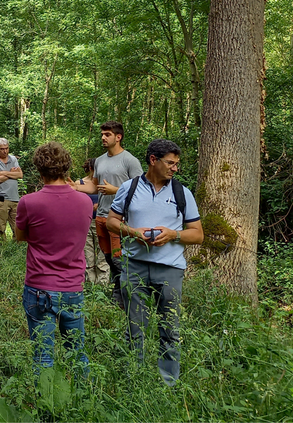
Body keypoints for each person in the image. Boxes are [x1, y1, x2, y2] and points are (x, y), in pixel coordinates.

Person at [106, 139, 203, 386]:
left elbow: (198, 234)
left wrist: (173, 234)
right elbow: (111, 222)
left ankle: (168, 382)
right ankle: (133, 377)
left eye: (177, 164)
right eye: (170, 163)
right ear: (153, 160)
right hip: (134, 265)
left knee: (170, 326)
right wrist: (134, 232)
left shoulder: (183, 193)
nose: (175, 168)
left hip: (170, 269)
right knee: (134, 324)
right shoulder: (129, 188)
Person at [15, 142, 93, 376]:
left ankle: (46, 409)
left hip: (39, 288)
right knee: (77, 353)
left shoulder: (29, 202)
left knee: (43, 356)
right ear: (67, 169)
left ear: (39, 170)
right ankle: (82, 405)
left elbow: (20, 237)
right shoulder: (85, 202)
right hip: (73, 287)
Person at [70, 121, 144, 309]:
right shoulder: (100, 160)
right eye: (102, 134)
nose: (103, 137)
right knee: (109, 258)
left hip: (121, 218)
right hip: (101, 216)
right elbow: (94, 186)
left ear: (118, 137)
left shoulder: (130, 161)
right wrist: (76, 187)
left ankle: (126, 299)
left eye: (107, 134)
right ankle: (117, 295)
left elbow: (142, 190)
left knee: (120, 259)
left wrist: (116, 191)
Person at [79, 159, 107, 285]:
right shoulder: (79, 184)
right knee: (87, 253)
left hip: (102, 221)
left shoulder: (106, 184)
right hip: (84, 222)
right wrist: (90, 207)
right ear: (91, 169)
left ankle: (103, 284)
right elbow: (75, 204)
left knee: (103, 253)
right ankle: (89, 283)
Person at [0, 138, 23, 242]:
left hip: (14, 197)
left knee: (17, 225)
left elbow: (20, 175)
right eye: (2, 149)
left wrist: (4, 172)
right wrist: (11, 173)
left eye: (7, 148)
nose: (5, 151)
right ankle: (1, 247)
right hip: (0, 198)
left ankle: (16, 247)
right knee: (1, 225)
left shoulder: (13, 159)